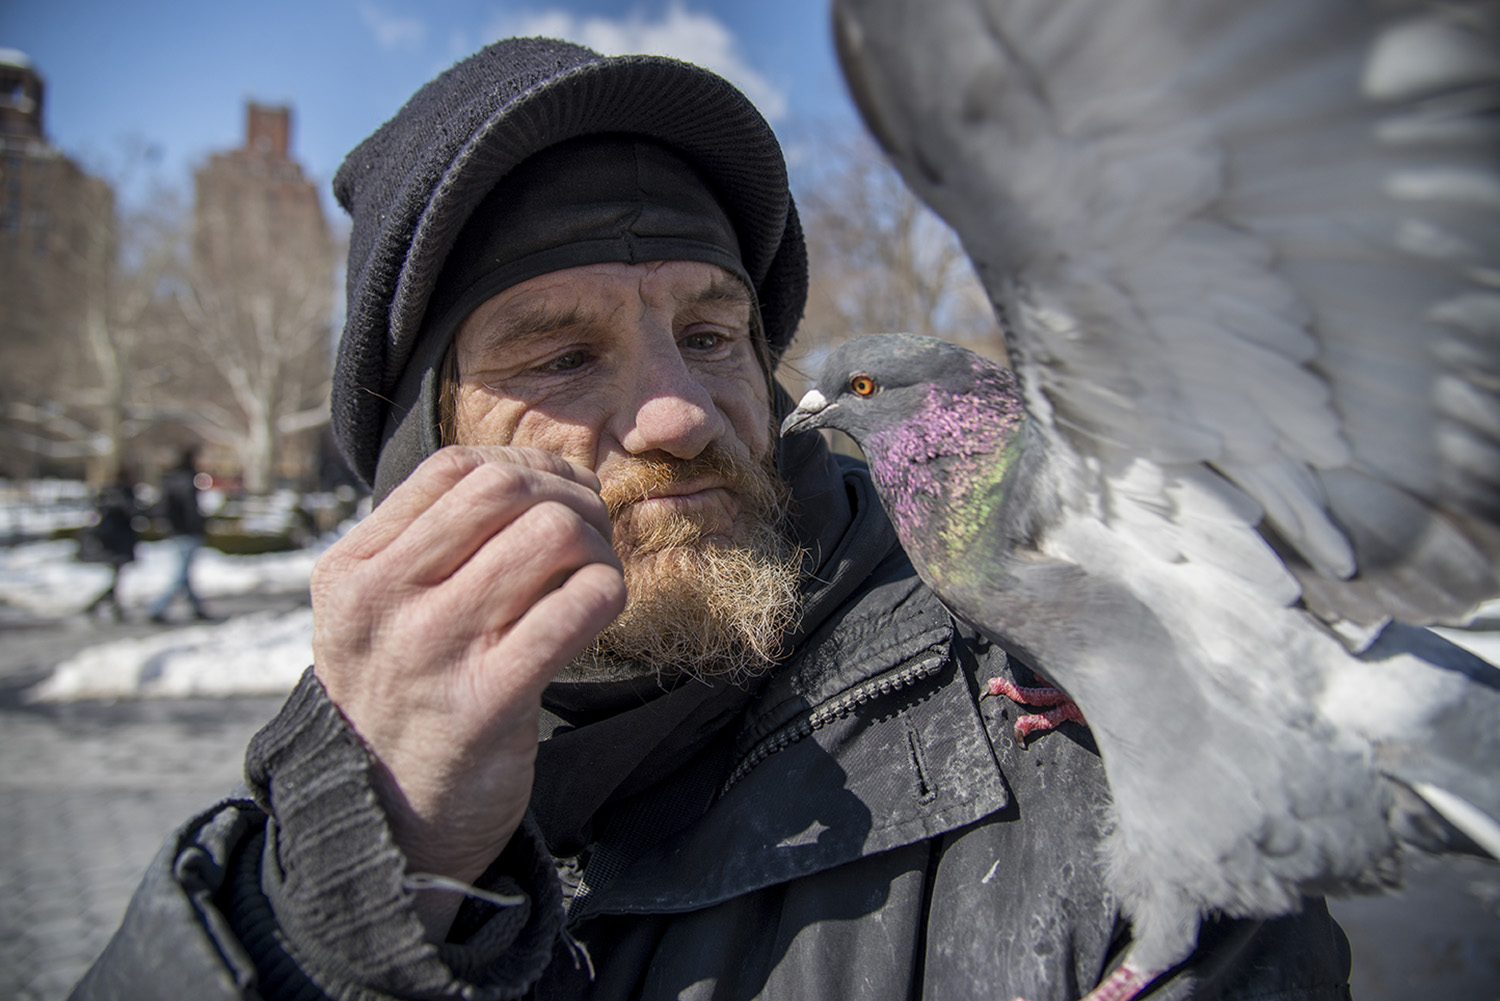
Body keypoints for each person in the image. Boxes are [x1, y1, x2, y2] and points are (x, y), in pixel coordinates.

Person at [71, 39, 1352, 1000]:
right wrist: (363, 884)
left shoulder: (1081, 751)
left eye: (711, 333)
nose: (680, 413)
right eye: (561, 353)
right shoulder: (282, 852)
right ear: (428, 443)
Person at [147, 444, 212, 623]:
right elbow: (191, 509)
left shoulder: (170, 478)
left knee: (185, 573)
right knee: (181, 574)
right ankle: (158, 607)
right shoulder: (187, 479)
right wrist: (199, 526)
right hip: (187, 531)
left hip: (176, 530)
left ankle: (197, 608)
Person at [80, 465, 139, 620]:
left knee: (117, 574)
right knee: (117, 574)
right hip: (118, 540)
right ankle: (106, 604)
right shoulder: (123, 494)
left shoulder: (107, 492)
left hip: (112, 540)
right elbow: (129, 513)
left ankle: (109, 604)